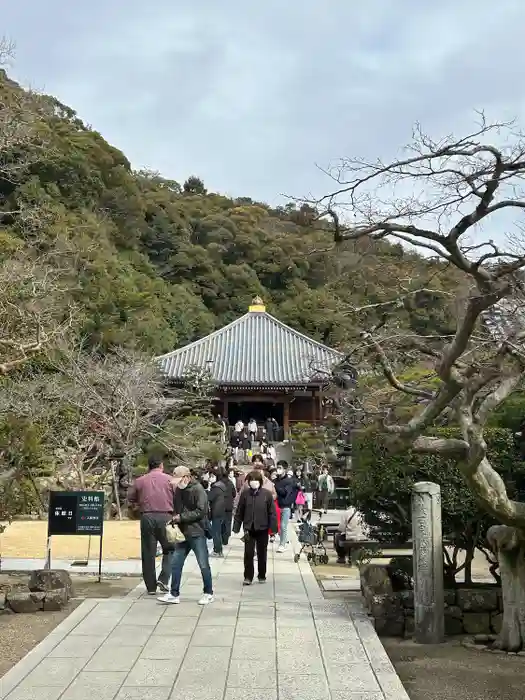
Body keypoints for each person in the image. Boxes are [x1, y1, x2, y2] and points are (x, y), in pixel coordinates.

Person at [157, 466, 214, 606]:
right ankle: (174, 593)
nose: (176, 484)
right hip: (183, 532)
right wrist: (175, 519)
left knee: (203, 564)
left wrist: (181, 517)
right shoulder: (178, 490)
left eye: (178, 480)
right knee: (176, 564)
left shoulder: (198, 489)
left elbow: (201, 511)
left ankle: (208, 592)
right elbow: (177, 509)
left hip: (197, 532)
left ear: (186, 477)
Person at [127, 455, 174, 595]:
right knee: (171, 548)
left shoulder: (140, 481)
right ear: (161, 466)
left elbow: (131, 499)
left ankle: (151, 587)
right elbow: (178, 498)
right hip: (166, 515)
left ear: (149, 466)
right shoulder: (170, 480)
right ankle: (164, 578)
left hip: (147, 516)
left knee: (148, 552)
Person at [234, 470, 277, 585]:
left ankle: (262, 575)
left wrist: (273, 529)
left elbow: (272, 512)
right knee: (248, 553)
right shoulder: (245, 494)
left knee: (262, 553)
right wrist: (236, 526)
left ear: (260, 482)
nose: (253, 482)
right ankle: (248, 577)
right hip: (249, 528)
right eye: (251, 480)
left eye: (256, 480)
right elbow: (240, 511)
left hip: (262, 528)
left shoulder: (266, 494)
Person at [274, 460, 296, 553]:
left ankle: (282, 545)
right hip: (275, 506)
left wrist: (275, 487)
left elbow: (285, 493)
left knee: (283, 526)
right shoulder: (275, 480)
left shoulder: (289, 481)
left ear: (285, 469)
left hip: (285, 506)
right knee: (276, 526)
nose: (278, 470)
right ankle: (284, 538)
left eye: (280, 468)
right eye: (277, 468)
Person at [208, 470, 226, 557]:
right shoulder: (222, 486)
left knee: (216, 532)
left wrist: (207, 488)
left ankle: (217, 551)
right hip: (221, 511)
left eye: (212, 476)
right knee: (217, 532)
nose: (210, 478)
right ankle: (219, 550)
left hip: (216, 512)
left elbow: (209, 497)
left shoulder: (216, 487)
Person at [218, 466, 236, 546]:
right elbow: (234, 494)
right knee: (228, 522)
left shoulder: (218, 484)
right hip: (228, 506)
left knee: (221, 522)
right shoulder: (230, 483)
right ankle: (226, 538)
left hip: (220, 506)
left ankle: (222, 538)